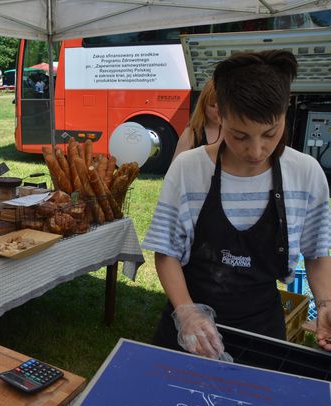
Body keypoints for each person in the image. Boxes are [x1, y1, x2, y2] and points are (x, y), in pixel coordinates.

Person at [142, 50, 331, 359]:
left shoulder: (306, 173)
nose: (256, 150)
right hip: (187, 332)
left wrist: (326, 304)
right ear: (219, 114)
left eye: (270, 133)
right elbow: (166, 253)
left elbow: (317, 252)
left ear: (286, 111)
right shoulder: (189, 169)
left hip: (262, 330)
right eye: (240, 135)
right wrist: (187, 313)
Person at [172, 80, 221, 161]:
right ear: (203, 106)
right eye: (212, 106)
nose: (218, 110)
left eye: (222, 105)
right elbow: (176, 168)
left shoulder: (234, 132)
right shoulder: (191, 134)